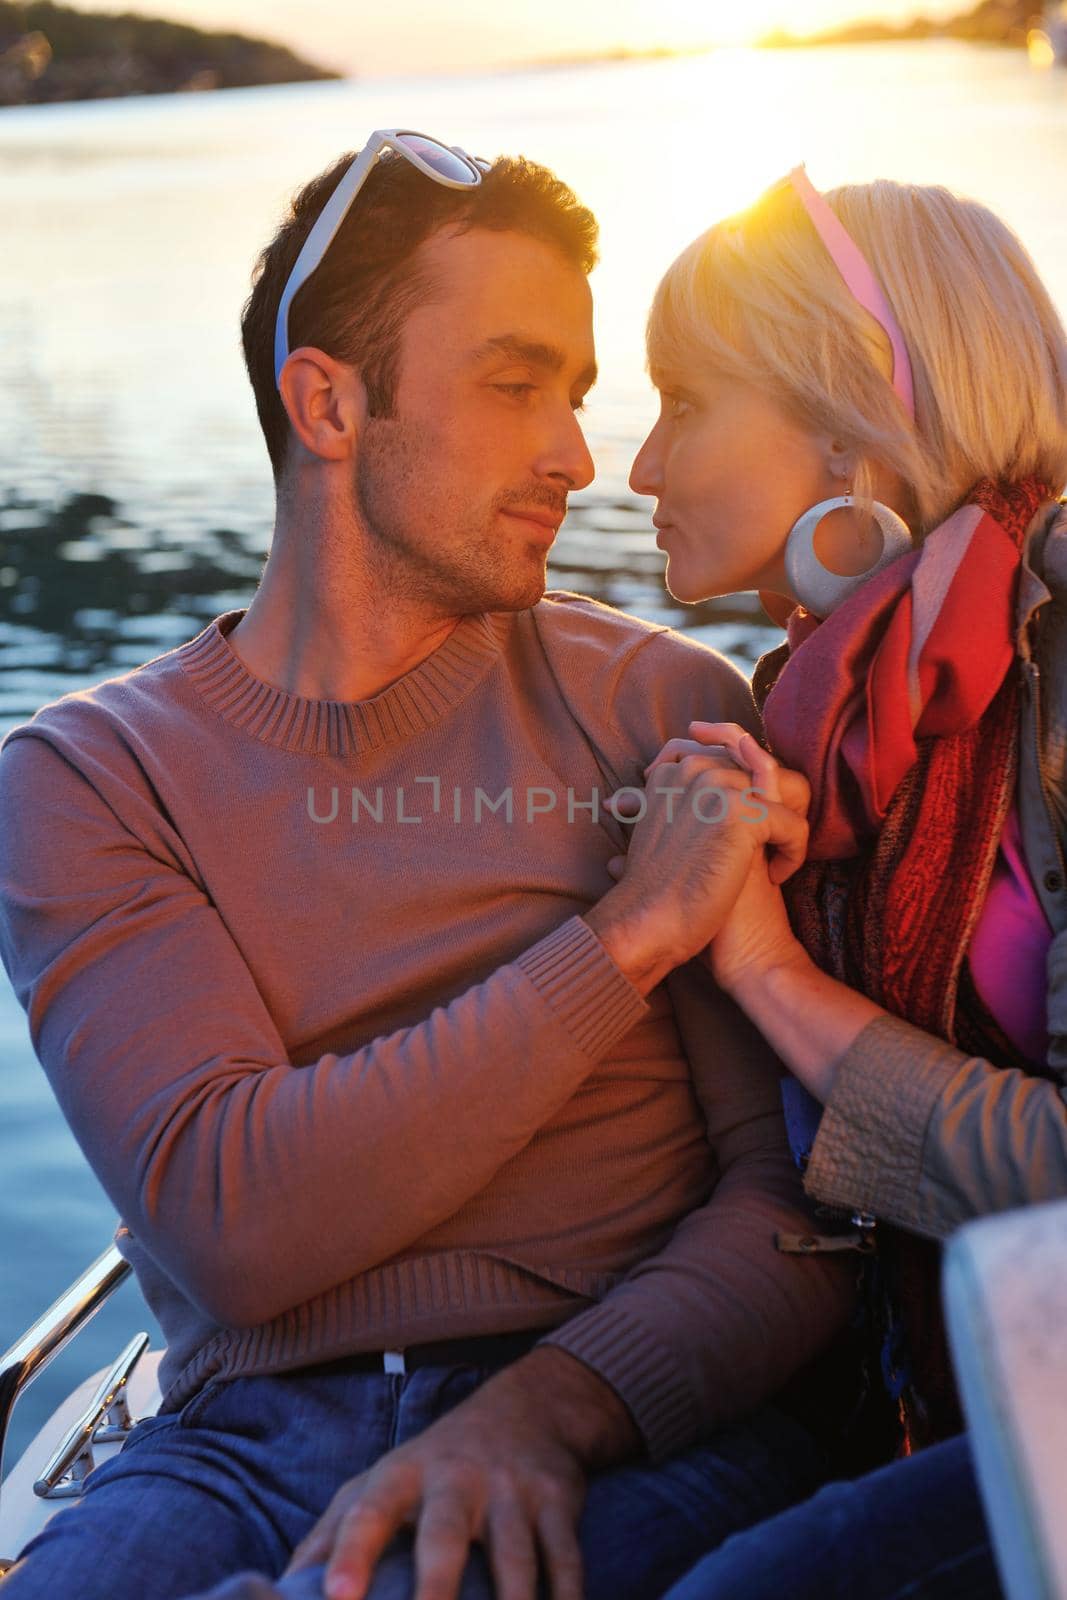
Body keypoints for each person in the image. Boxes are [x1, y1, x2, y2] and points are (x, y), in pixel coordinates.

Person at [0, 136, 855, 1600]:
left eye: (577, 398)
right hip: (235, 1442)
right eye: (517, 384)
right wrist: (630, 934)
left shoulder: (659, 706)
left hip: (619, 1416)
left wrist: (553, 1409)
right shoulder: (88, 778)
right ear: (328, 401)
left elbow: (797, 1213)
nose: (578, 457)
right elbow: (236, 1226)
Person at [613, 165, 1067, 1598]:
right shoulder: (837, 713)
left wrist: (764, 969)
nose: (636, 468)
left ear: (844, 426)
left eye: (684, 401)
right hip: (935, 1368)